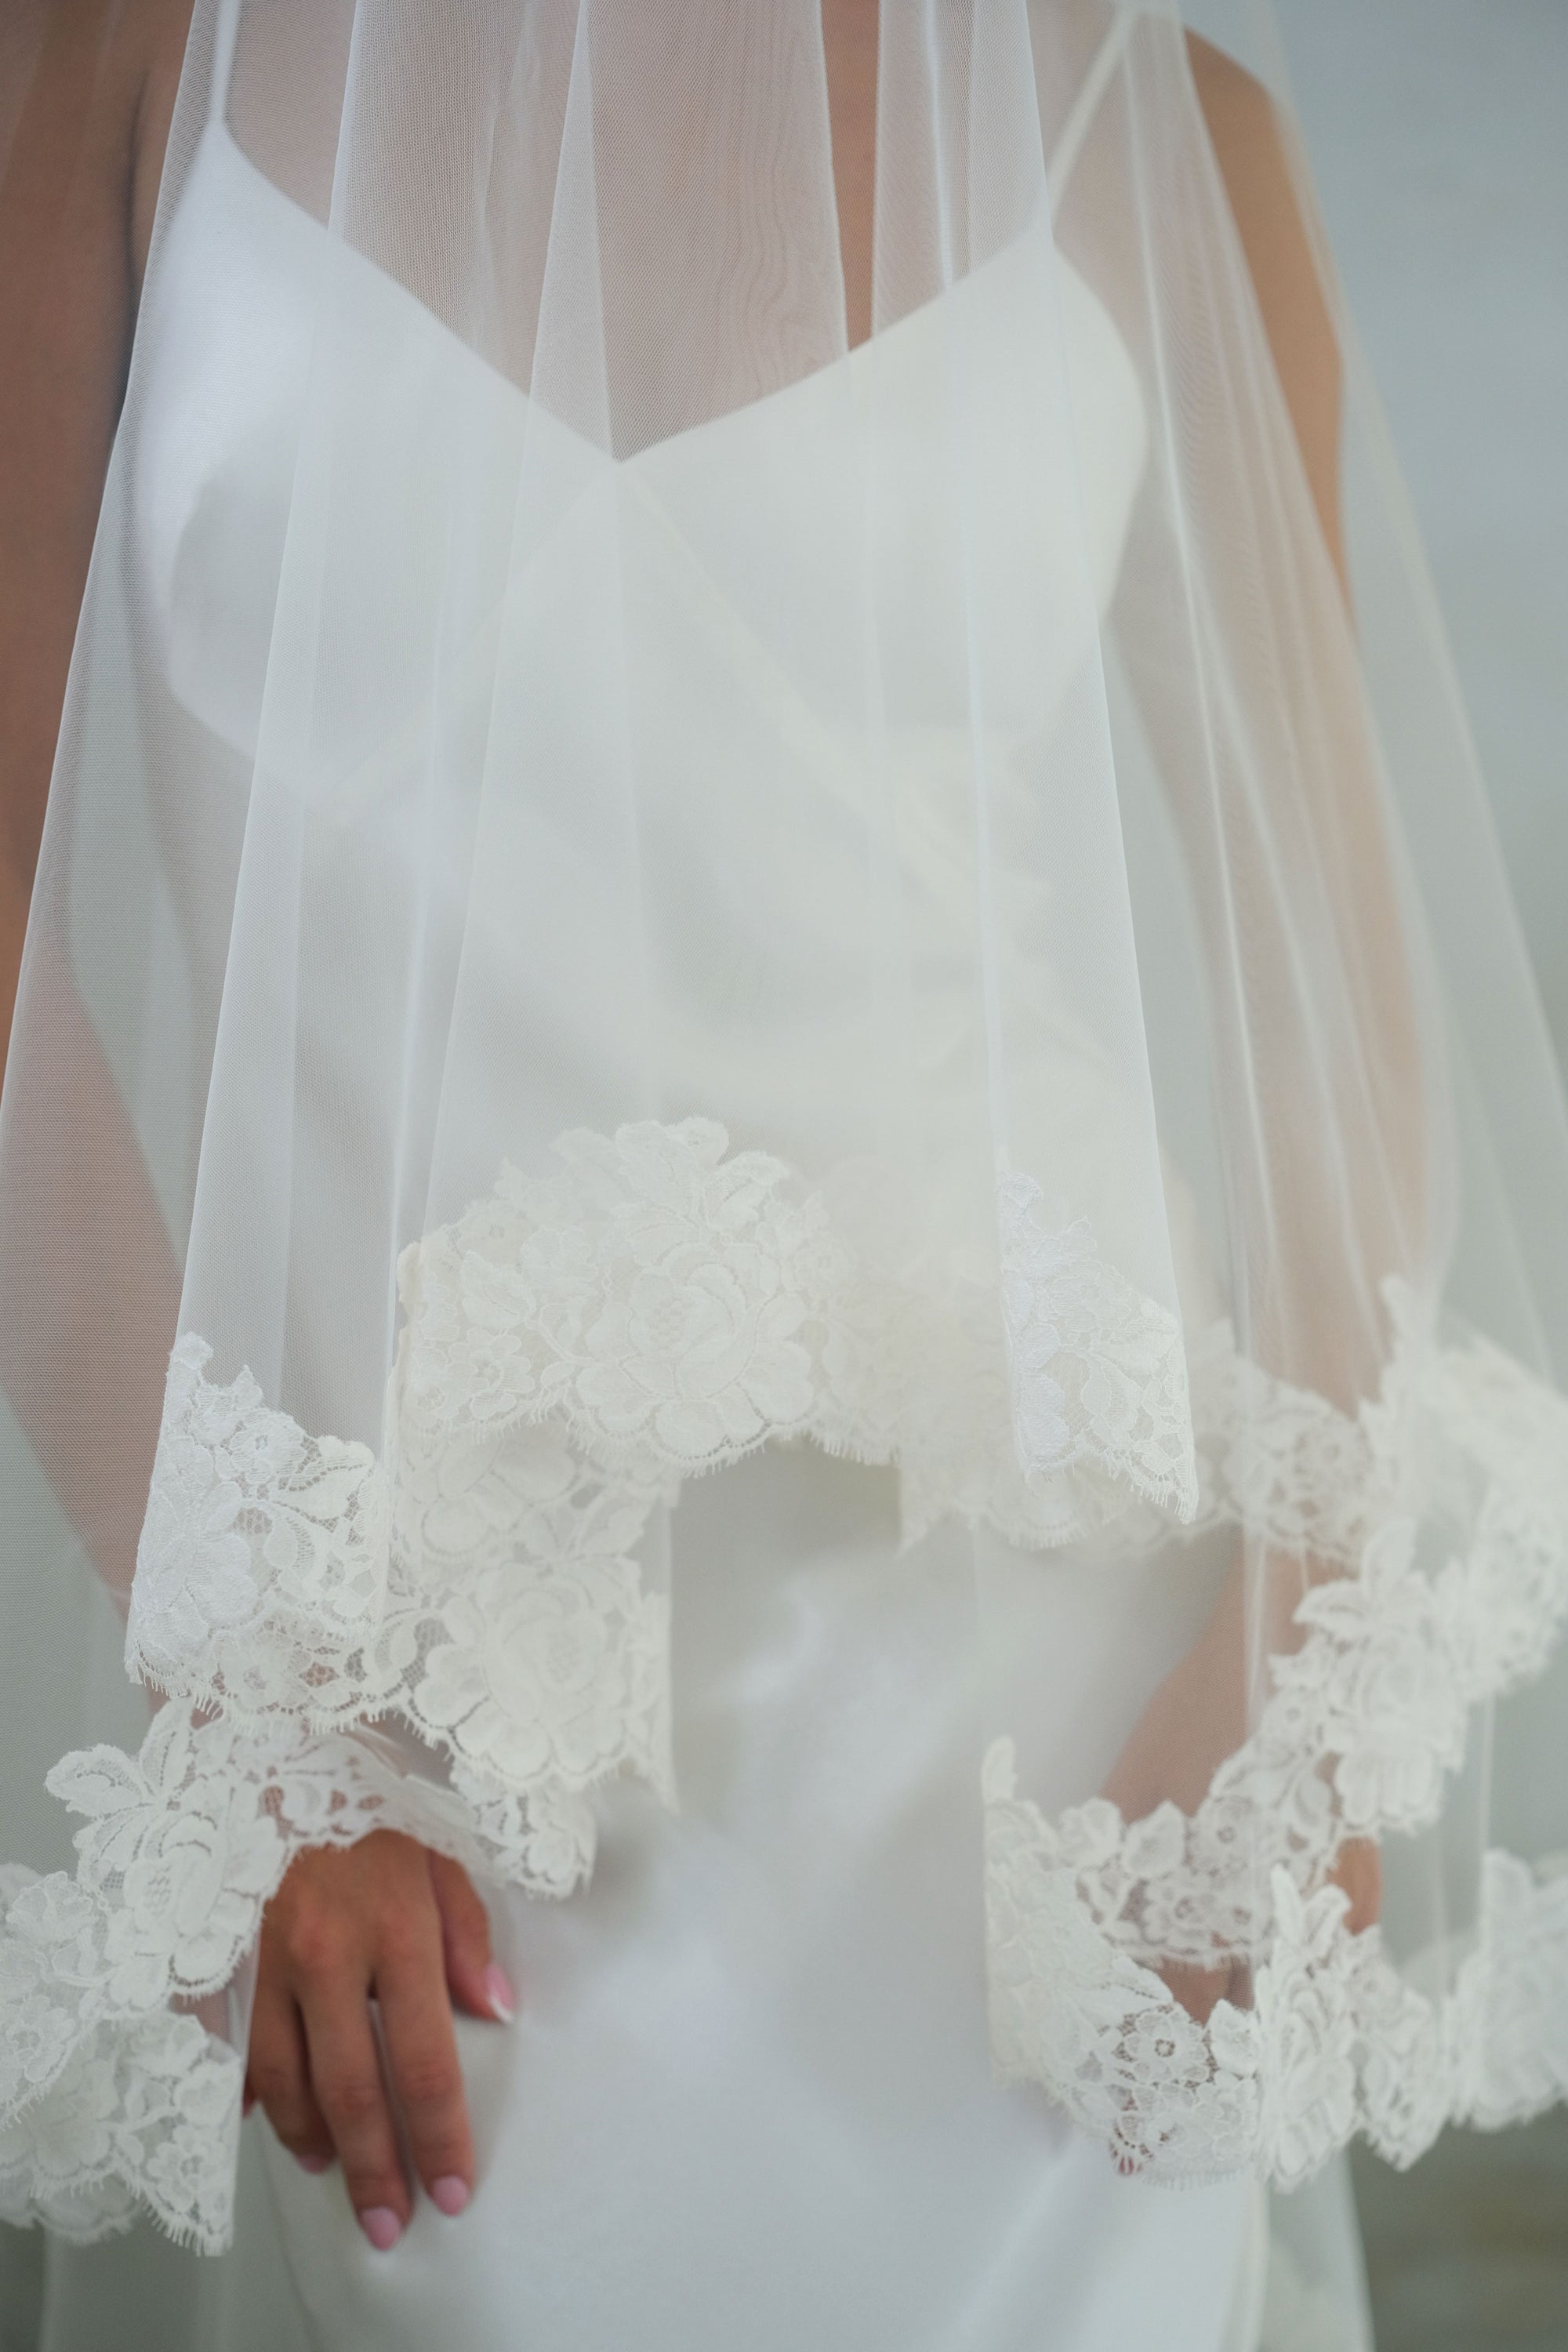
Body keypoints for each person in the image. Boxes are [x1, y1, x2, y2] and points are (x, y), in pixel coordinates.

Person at [2, 5, 1565, 2349]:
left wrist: (1282, 1673)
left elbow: (1331, 998)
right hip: (420, 1780)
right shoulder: (116, 53)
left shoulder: (1154, 112)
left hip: (1039, 1808)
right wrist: (260, 1715)